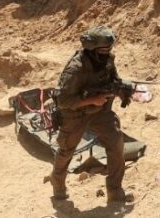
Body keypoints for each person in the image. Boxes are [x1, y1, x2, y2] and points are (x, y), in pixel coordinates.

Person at [50, 26, 135, 206]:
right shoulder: (76, 68)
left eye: (108, 49)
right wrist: (91, 100)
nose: (106, 53)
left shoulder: (108, 60)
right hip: (75, 113)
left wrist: (122, 89)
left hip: (99, 112)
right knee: (66, 150)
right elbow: (63, 99)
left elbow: (112, 81)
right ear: (91, 49)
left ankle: (115, 190)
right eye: (103, 50)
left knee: (116, 141)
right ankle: (58, 186)